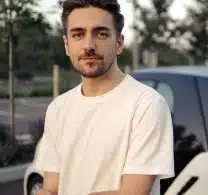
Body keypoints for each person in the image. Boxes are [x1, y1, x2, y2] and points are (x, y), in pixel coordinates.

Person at [36, 0, 174, 194]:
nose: (89, 45)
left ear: (119, 43)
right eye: (78, 34)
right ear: (67, 45)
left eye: (101, 34)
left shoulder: (147, 104)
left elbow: (132, 193)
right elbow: (51, 186)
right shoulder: (58, 108)